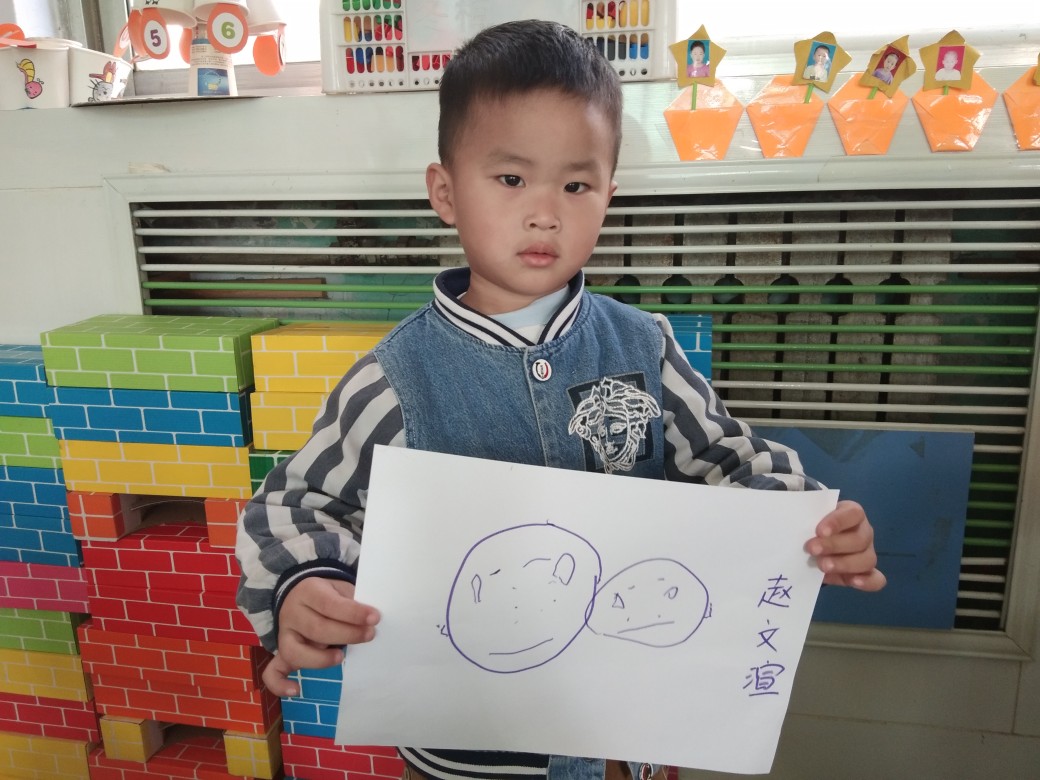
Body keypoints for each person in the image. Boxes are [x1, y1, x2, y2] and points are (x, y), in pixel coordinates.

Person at [235, 19, 886, 780]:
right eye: (511, 180)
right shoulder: (394, 380)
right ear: (445, 192)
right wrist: (305, 587)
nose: (545, 211)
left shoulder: (644, 347)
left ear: (609, 194)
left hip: (626, 744)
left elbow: (727, 460)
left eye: (576, 185)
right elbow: (298, 507)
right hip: (468, 760)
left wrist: (806, 521)